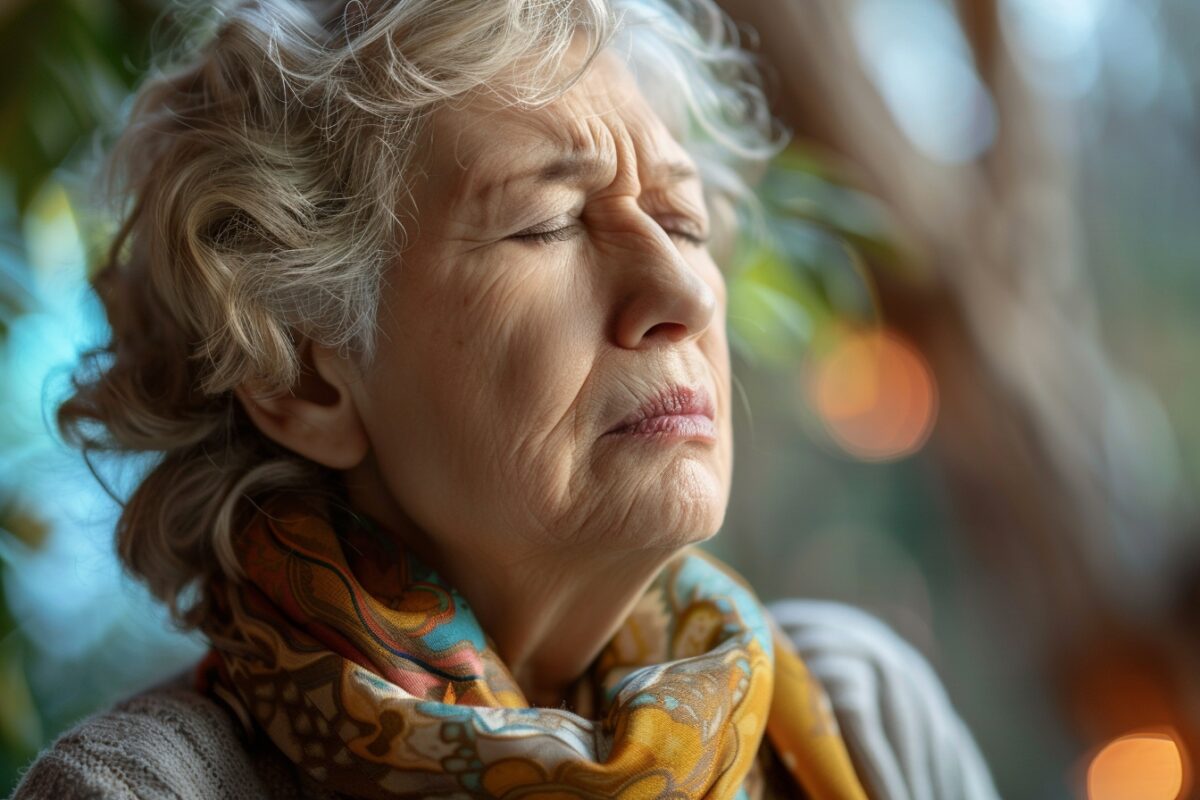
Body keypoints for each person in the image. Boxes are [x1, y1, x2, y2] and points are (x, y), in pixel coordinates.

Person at [12, 0, 999, 798]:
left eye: (682, 221)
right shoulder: (144, 790)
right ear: (301, 372)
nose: (687, 292)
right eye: (548, 224)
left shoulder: (864, 718)